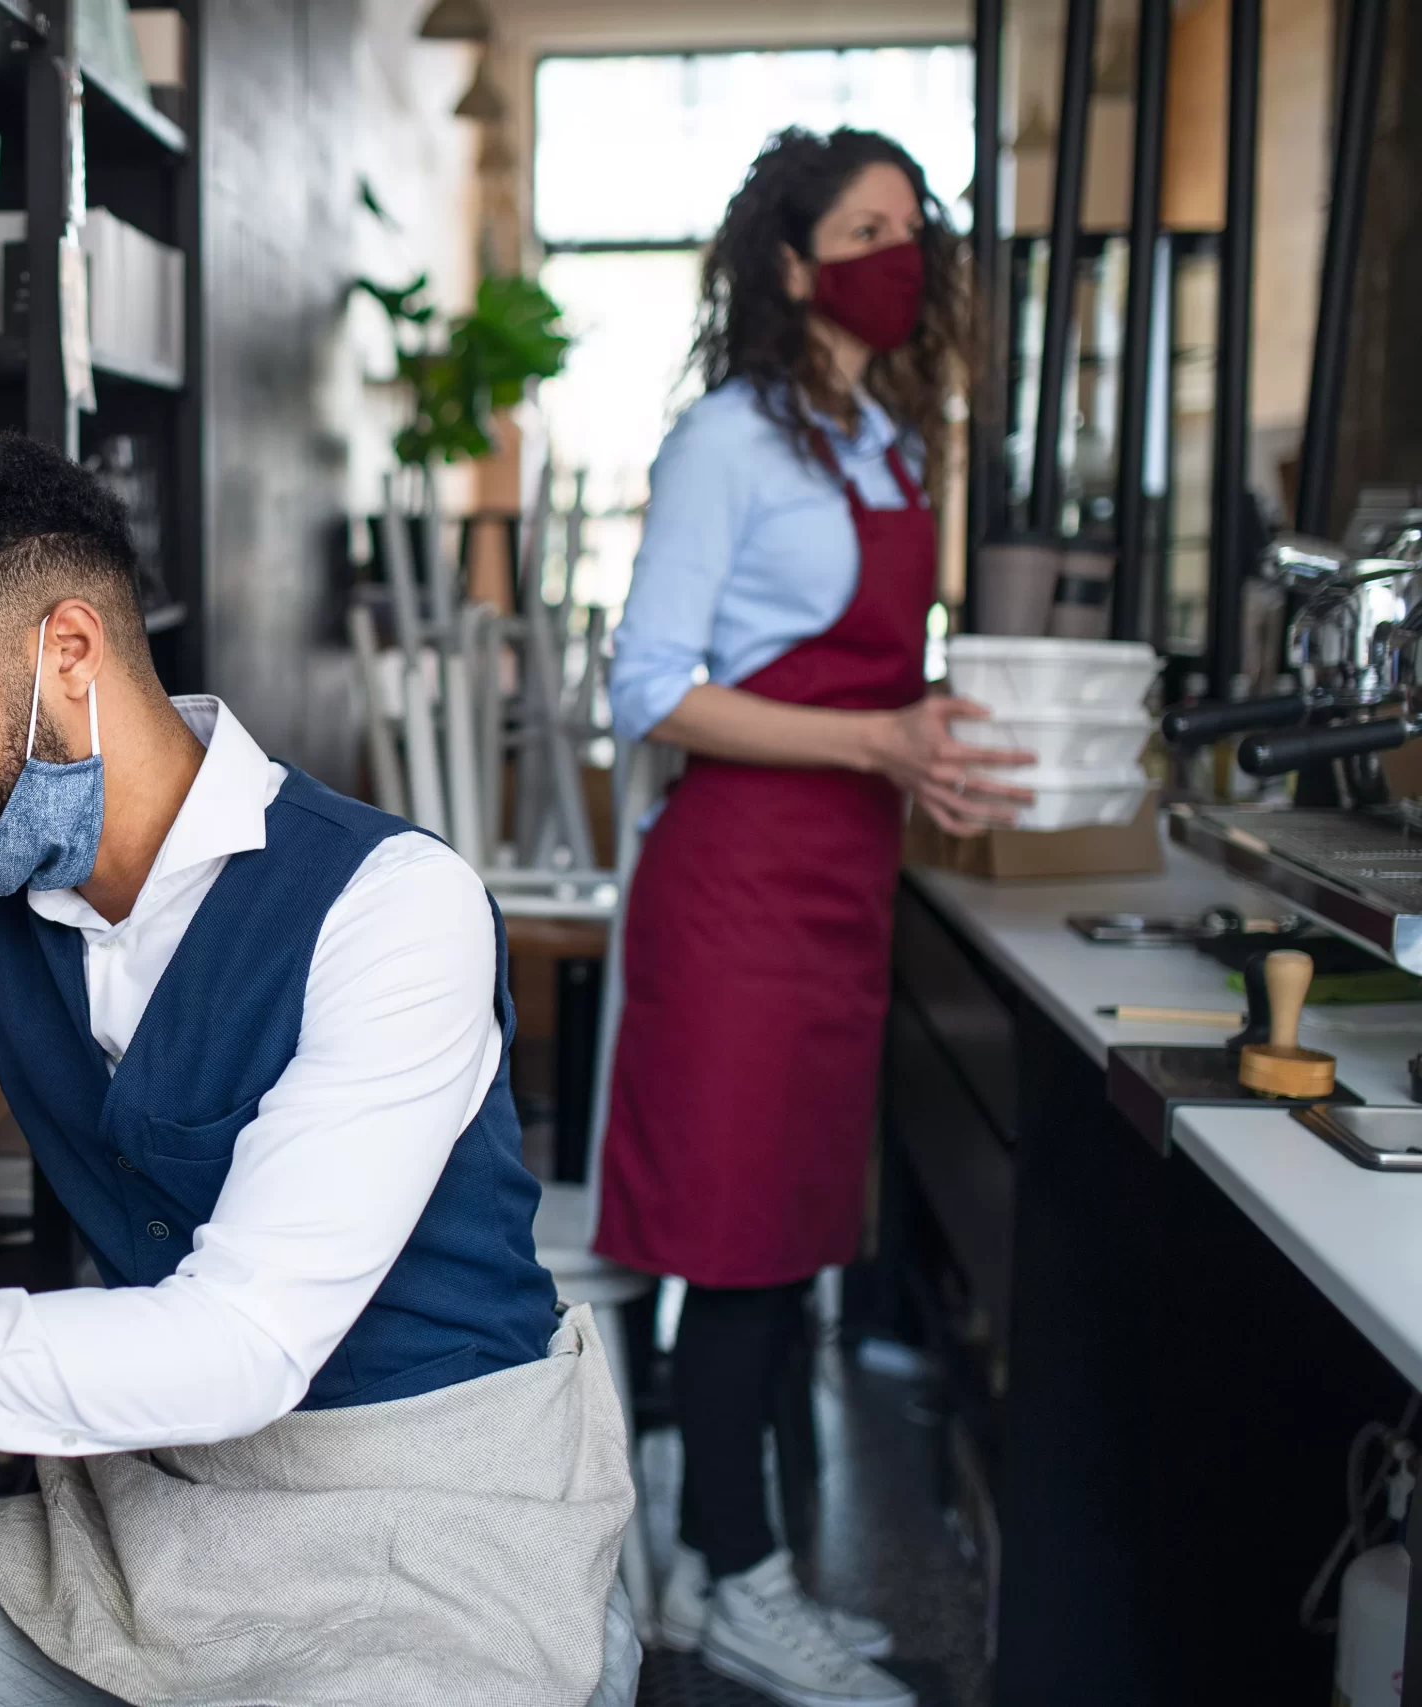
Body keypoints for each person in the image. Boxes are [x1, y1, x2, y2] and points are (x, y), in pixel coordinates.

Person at [0, 433, 641, 1707]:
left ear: (68, 652)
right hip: (153, 1518)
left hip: (430, 1519)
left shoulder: (394, 905)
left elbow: (243, 1345)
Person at [592, 128, 1035, 1707]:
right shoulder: (727, 441)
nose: (898, 256)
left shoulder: (890, 447)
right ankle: (739, 1574)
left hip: (844, 885)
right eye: (864, 230)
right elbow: (647, 687)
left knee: (792, 1235)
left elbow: (879, 686)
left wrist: (937, 744)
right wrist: (876, 740)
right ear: (791, 264)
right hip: (738, 886)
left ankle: (723, 1568)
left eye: (913, 227)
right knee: (739, 1242)